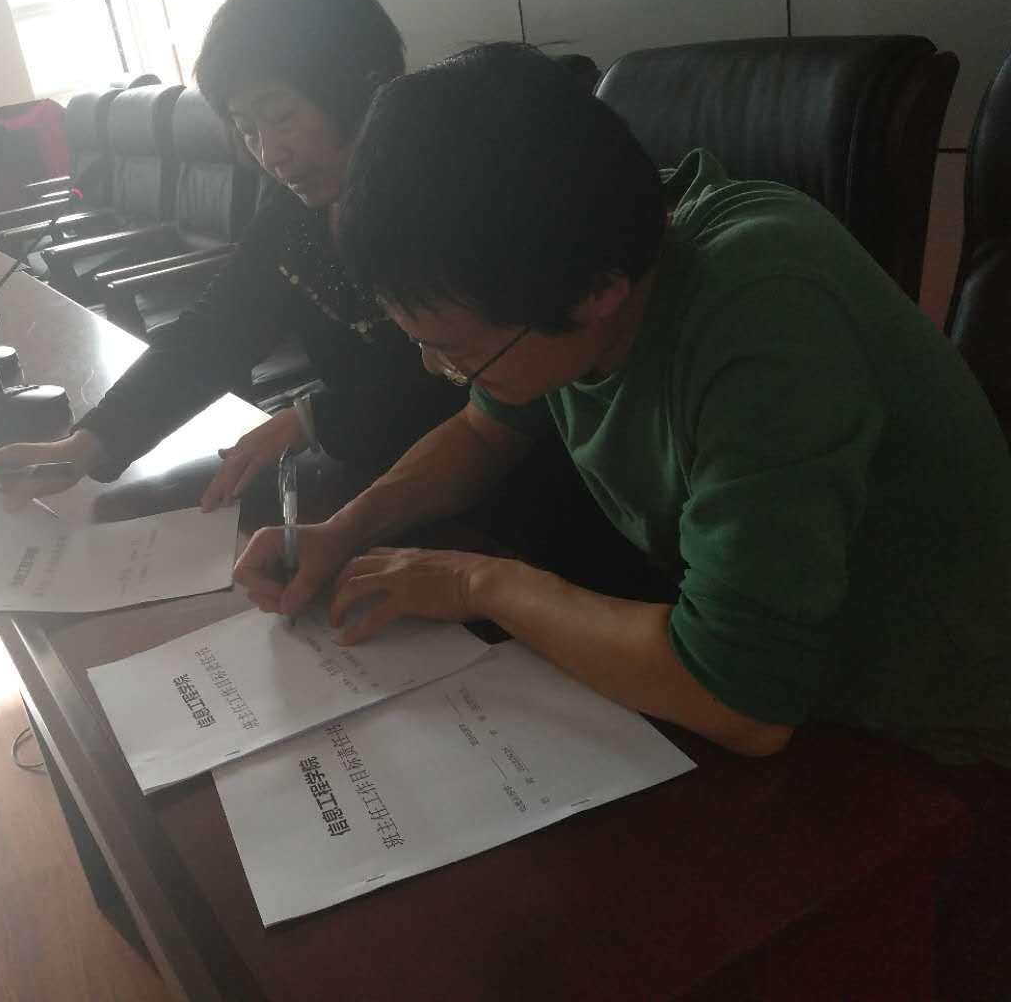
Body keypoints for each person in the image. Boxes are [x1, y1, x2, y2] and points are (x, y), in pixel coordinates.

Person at [236, 42, 1011, 770]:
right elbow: (483, 432)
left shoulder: (767, 311)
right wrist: (344, 529)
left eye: (460, 353)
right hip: (780, 681)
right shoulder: (574, 250)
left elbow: (740, 699)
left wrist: (476, 584)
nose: (440, 371)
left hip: (930, 734)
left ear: (598, 292)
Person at [0, 0, 463, 510]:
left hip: (468, 492)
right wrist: (83, 446)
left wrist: (311, 419)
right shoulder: (296, 214)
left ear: (356, 86)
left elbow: (483, 389)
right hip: (369, 479)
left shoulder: (444, 195)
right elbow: (213, 335)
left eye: (282, 117)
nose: (270, 154)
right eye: (247, 129)